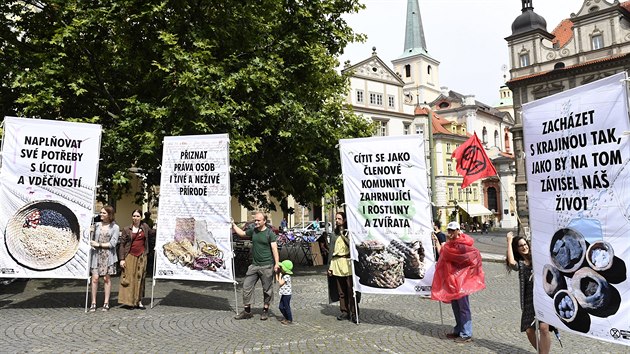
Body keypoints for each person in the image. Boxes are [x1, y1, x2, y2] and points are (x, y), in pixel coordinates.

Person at [431, 221, 485, 343]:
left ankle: (466, 333)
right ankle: (459, 330)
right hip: (453, 280)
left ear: (457, 231)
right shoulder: (450, 245)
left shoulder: (464, 245)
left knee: (463, 307)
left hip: (462, 282)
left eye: (452, 230)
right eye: (448, 230)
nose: (450, 233)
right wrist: (436, 241)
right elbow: (443, 254)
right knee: (456, 306)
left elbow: (472, 258)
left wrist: (466, 274)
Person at [506, 231, 553, 354]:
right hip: (529, 299)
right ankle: (542, 351)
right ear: (517, 249)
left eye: (525, 244)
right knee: (529, 330)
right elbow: (512, 263)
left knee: (544, 328)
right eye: (520, 246)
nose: (524, 247)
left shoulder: (537, 258)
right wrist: (509, 242)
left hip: (543, 297)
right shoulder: (521, 264)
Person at [232, 212, 280, 320]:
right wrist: (233, 225)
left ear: (264, 221)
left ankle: (265, 310)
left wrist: (277, 263)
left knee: (267, 290)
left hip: (267, 266)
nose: (256, 222)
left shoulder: (270, 233)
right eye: (255, 220)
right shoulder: (253, 231)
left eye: (258, 220)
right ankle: (247, 311)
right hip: (254, 265)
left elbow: (274, 249)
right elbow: (242, 234)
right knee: (246, 287)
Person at [327, 211, 359, 323]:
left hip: (348, 263)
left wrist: (344, 235)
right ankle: (344, 311)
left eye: (339, 219)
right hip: (337, 263)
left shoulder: (349, 232)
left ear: (344, 220)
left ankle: (354, 313)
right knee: (341, 291)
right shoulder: (333, 234)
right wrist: (329, 266)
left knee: (351, 290)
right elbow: (331, 251)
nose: (337, 220)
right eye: (336, 219)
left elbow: (353, 246)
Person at [117, 209, 151, 309]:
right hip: (130, 255)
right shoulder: (127, 229)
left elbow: (152, 235)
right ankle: (129, 301)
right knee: (129, 278)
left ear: (141, 217)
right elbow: (122, 245)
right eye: (134, 216)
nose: (135, 218)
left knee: (140, 278)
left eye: (137, 216)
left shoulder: (145, 227)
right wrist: (122, 259)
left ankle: (139, 301)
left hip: (142, 256)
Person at [89, 206, 120, 312]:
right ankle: (93, 302)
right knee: (95, 278)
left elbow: (113, 243)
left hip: (108, 256)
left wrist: (99, 244)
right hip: (96, 255)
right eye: (100, 213)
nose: (101, 214)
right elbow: (89, 239)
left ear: (109, 215)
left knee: (106, 279)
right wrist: (89, 232)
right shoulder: (96, 225)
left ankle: (106, 302)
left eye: (103, 213)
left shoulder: (115, 227)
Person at [276, 260, 293, 325]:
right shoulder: (284, 275)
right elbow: (278, 280)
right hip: (283, 293)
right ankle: (286, 317)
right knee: (281, 307)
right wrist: (277, 273)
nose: (281, 268)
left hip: (287, 294)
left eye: (282, 267)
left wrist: (280, 275)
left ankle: (289, 319)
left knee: (286, 307)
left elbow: (280, 283)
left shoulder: (287, 276)